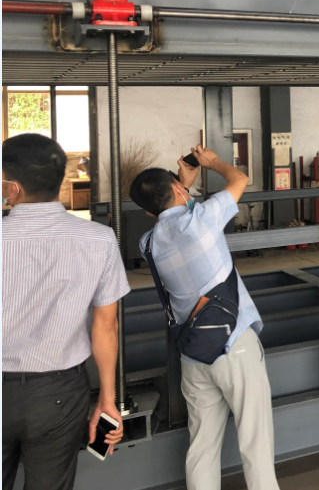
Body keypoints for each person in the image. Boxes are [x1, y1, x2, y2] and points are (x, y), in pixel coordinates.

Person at [129, 146, 279, 490]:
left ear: (148, 211)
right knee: (255, 440)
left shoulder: (148, 244)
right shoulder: (203, 220)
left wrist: (182, 187)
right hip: (234, 345)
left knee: (202, 446)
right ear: (178, 189)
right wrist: (213, 163)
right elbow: (239, 179)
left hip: (193, 355)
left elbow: (173, 216)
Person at [2, 134, 128, 490]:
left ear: (13, 188)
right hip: (58, 392)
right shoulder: (99, 239)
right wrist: (107, 399)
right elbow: (106, 327)